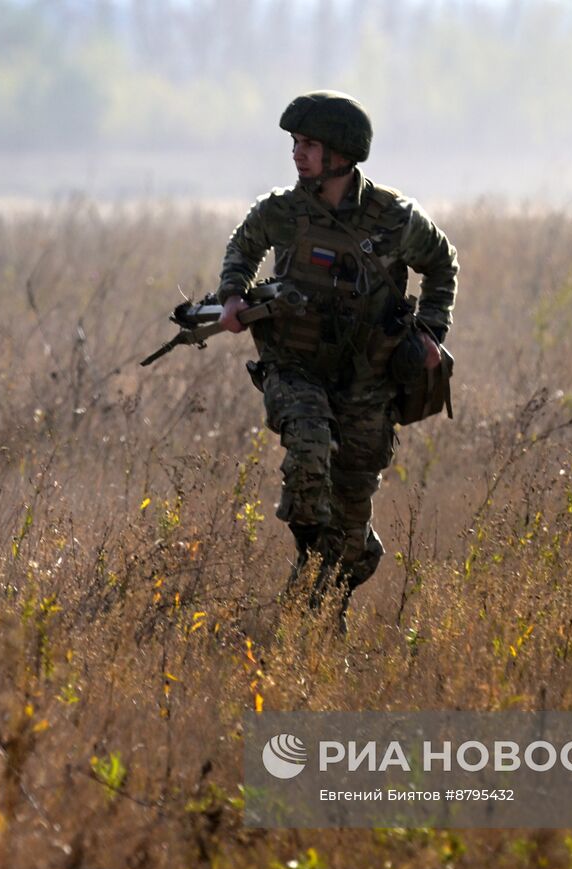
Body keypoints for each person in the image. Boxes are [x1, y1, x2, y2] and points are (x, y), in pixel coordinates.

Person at [215, 90, 459, 632]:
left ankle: (323, 601)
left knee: (350, 515)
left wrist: (431, 333)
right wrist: (233, 295)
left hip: (367, 381)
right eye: (296, 144)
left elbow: (442, 265)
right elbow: (243, 245)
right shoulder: (282, 210)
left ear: (343, 155)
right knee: (307, 449)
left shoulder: (394, 219)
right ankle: (315, 574)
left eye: (309, 145)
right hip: (294, 367)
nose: (298, 154)